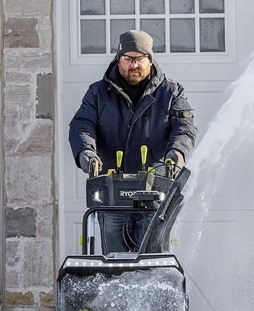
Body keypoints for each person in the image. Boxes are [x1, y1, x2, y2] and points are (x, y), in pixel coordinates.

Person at [69, 30, 197, 254]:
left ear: (150, 59)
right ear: (118, 59)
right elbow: (81, 125)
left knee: (150, 259)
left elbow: (184, 128)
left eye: (139, 59)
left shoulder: (171, 92)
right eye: (127, 59)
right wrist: (86, 154)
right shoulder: (98, 93)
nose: (133, 65)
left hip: (154, 192)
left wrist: (176, 154)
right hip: (112, 193)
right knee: (115, 260)